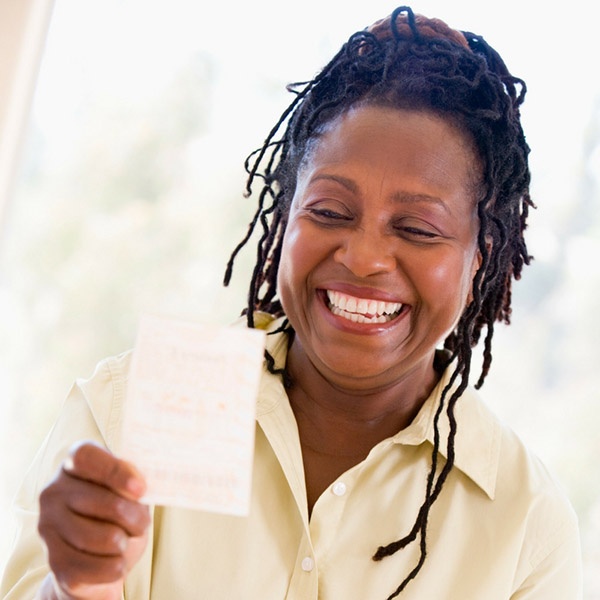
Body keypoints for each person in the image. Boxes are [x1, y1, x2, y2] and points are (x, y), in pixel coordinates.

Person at [0, 6, 582, 600]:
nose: (363, 258)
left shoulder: (526, 526)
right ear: (283, 220)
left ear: (480, 256)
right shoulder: (123, 415)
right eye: (330, 212)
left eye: (417, 228)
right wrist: (78, 584)